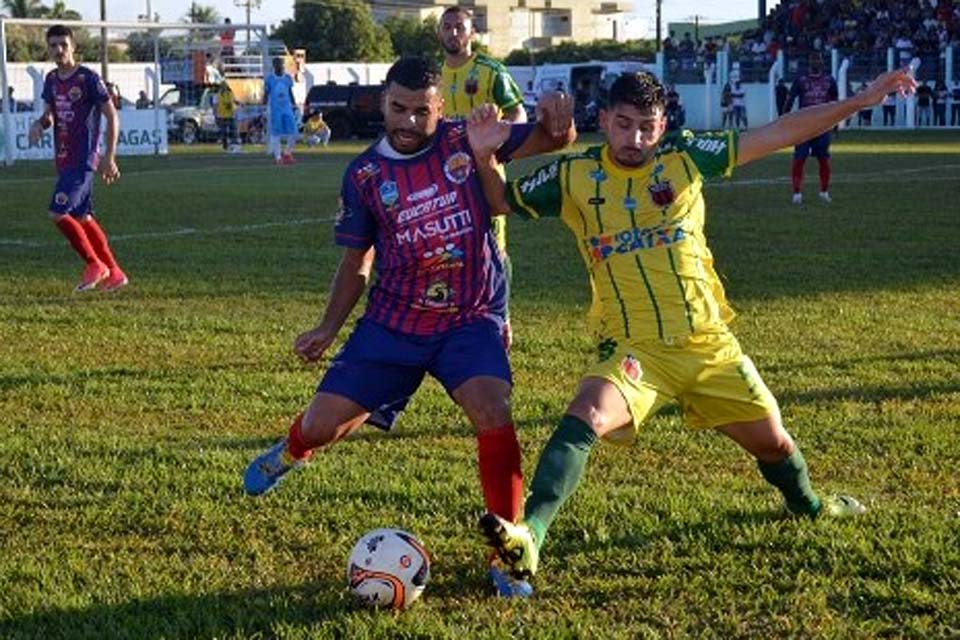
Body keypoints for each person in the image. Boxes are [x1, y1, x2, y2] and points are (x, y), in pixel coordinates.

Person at [466, 67, 915, 583]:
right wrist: (484, 155)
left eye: (648, 126)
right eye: (624, 124)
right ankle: (531, 536)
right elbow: (500, 200)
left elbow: (779, 132)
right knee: (586, 413)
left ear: (663, 126)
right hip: (636, 350)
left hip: (708, 346)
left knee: (776, 446)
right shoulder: (572, 175)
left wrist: (859, 99)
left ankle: (811, 506)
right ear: (605, 120)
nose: (636, 139)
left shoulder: (687, 155)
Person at [242, 56, 575, 598]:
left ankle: (506, 552)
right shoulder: (364, 176)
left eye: (423, 111)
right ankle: (291, 452)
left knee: (492, 408)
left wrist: (557, 121)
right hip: (393, 323)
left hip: (469, 318)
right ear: (382, 103)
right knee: (324, 425)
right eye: (399, 108)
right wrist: (328, 327)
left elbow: (552, 139)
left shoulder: (463, 139)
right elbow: (356, 262)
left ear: (440, 108)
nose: (410, 121)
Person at [438, 5, 527, 351]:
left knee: (495, 246)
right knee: (450, 244)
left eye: (459, 27)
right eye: (447, 27)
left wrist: (502, 143)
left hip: (484, 172)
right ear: (439, 33)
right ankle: (453, 316)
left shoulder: (491, 71)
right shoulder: (435, 76)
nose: (453, 33)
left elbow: (518, 111)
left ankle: (501, 318)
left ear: (472, 33)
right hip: (445, 177)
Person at [28, 24, 127, 293]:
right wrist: (39, 124)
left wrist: (109, 156)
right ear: (48, 48)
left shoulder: (88, 79)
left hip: (83, 159)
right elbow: (49, 116)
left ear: (74, 47)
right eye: (53, 45)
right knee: (82, 217)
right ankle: (115, 272)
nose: (59, 50)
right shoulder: (50, 80)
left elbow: (111, 115)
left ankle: (95, 264)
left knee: (57, 211)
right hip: (63, 157)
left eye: (63, 44)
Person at [787, 53, 838, 204]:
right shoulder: (801, 80)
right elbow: (790, 99)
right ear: (809, 62)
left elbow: (835, 104)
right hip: (803, 126)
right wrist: (784, 118)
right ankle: (797, 193)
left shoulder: (829, 80)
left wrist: (835, 124)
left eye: (819, 59)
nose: (816, 62)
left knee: (823, 159)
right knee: (799, 158)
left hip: (822, 126)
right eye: (813, 59)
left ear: (822, 63)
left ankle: (824, 191)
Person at [264, 57, 298, 165]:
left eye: (281, 64)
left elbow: (290, 92)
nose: (280, 66)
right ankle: (278, 157)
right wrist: (263, 106)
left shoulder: (287, 78)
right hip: (275, 109)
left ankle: (287, 153)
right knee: (276, 133)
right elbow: (266, 94)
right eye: (277, 64)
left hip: (287, 108)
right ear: (274, 66)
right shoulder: (270, 79)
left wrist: (294, 105)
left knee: (293, 131)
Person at [214, 80, 239, 153]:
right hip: (222, 116)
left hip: (231, 115)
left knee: (233, 131)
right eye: (222, 86)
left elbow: (234, 101)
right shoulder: (217, 95)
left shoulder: (230, 93)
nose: (224, 87)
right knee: (223, 132)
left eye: (225, 85)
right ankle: (225, 146)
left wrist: (239, 103)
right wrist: (216, 115)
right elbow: (215, 106)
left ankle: (234, 145)